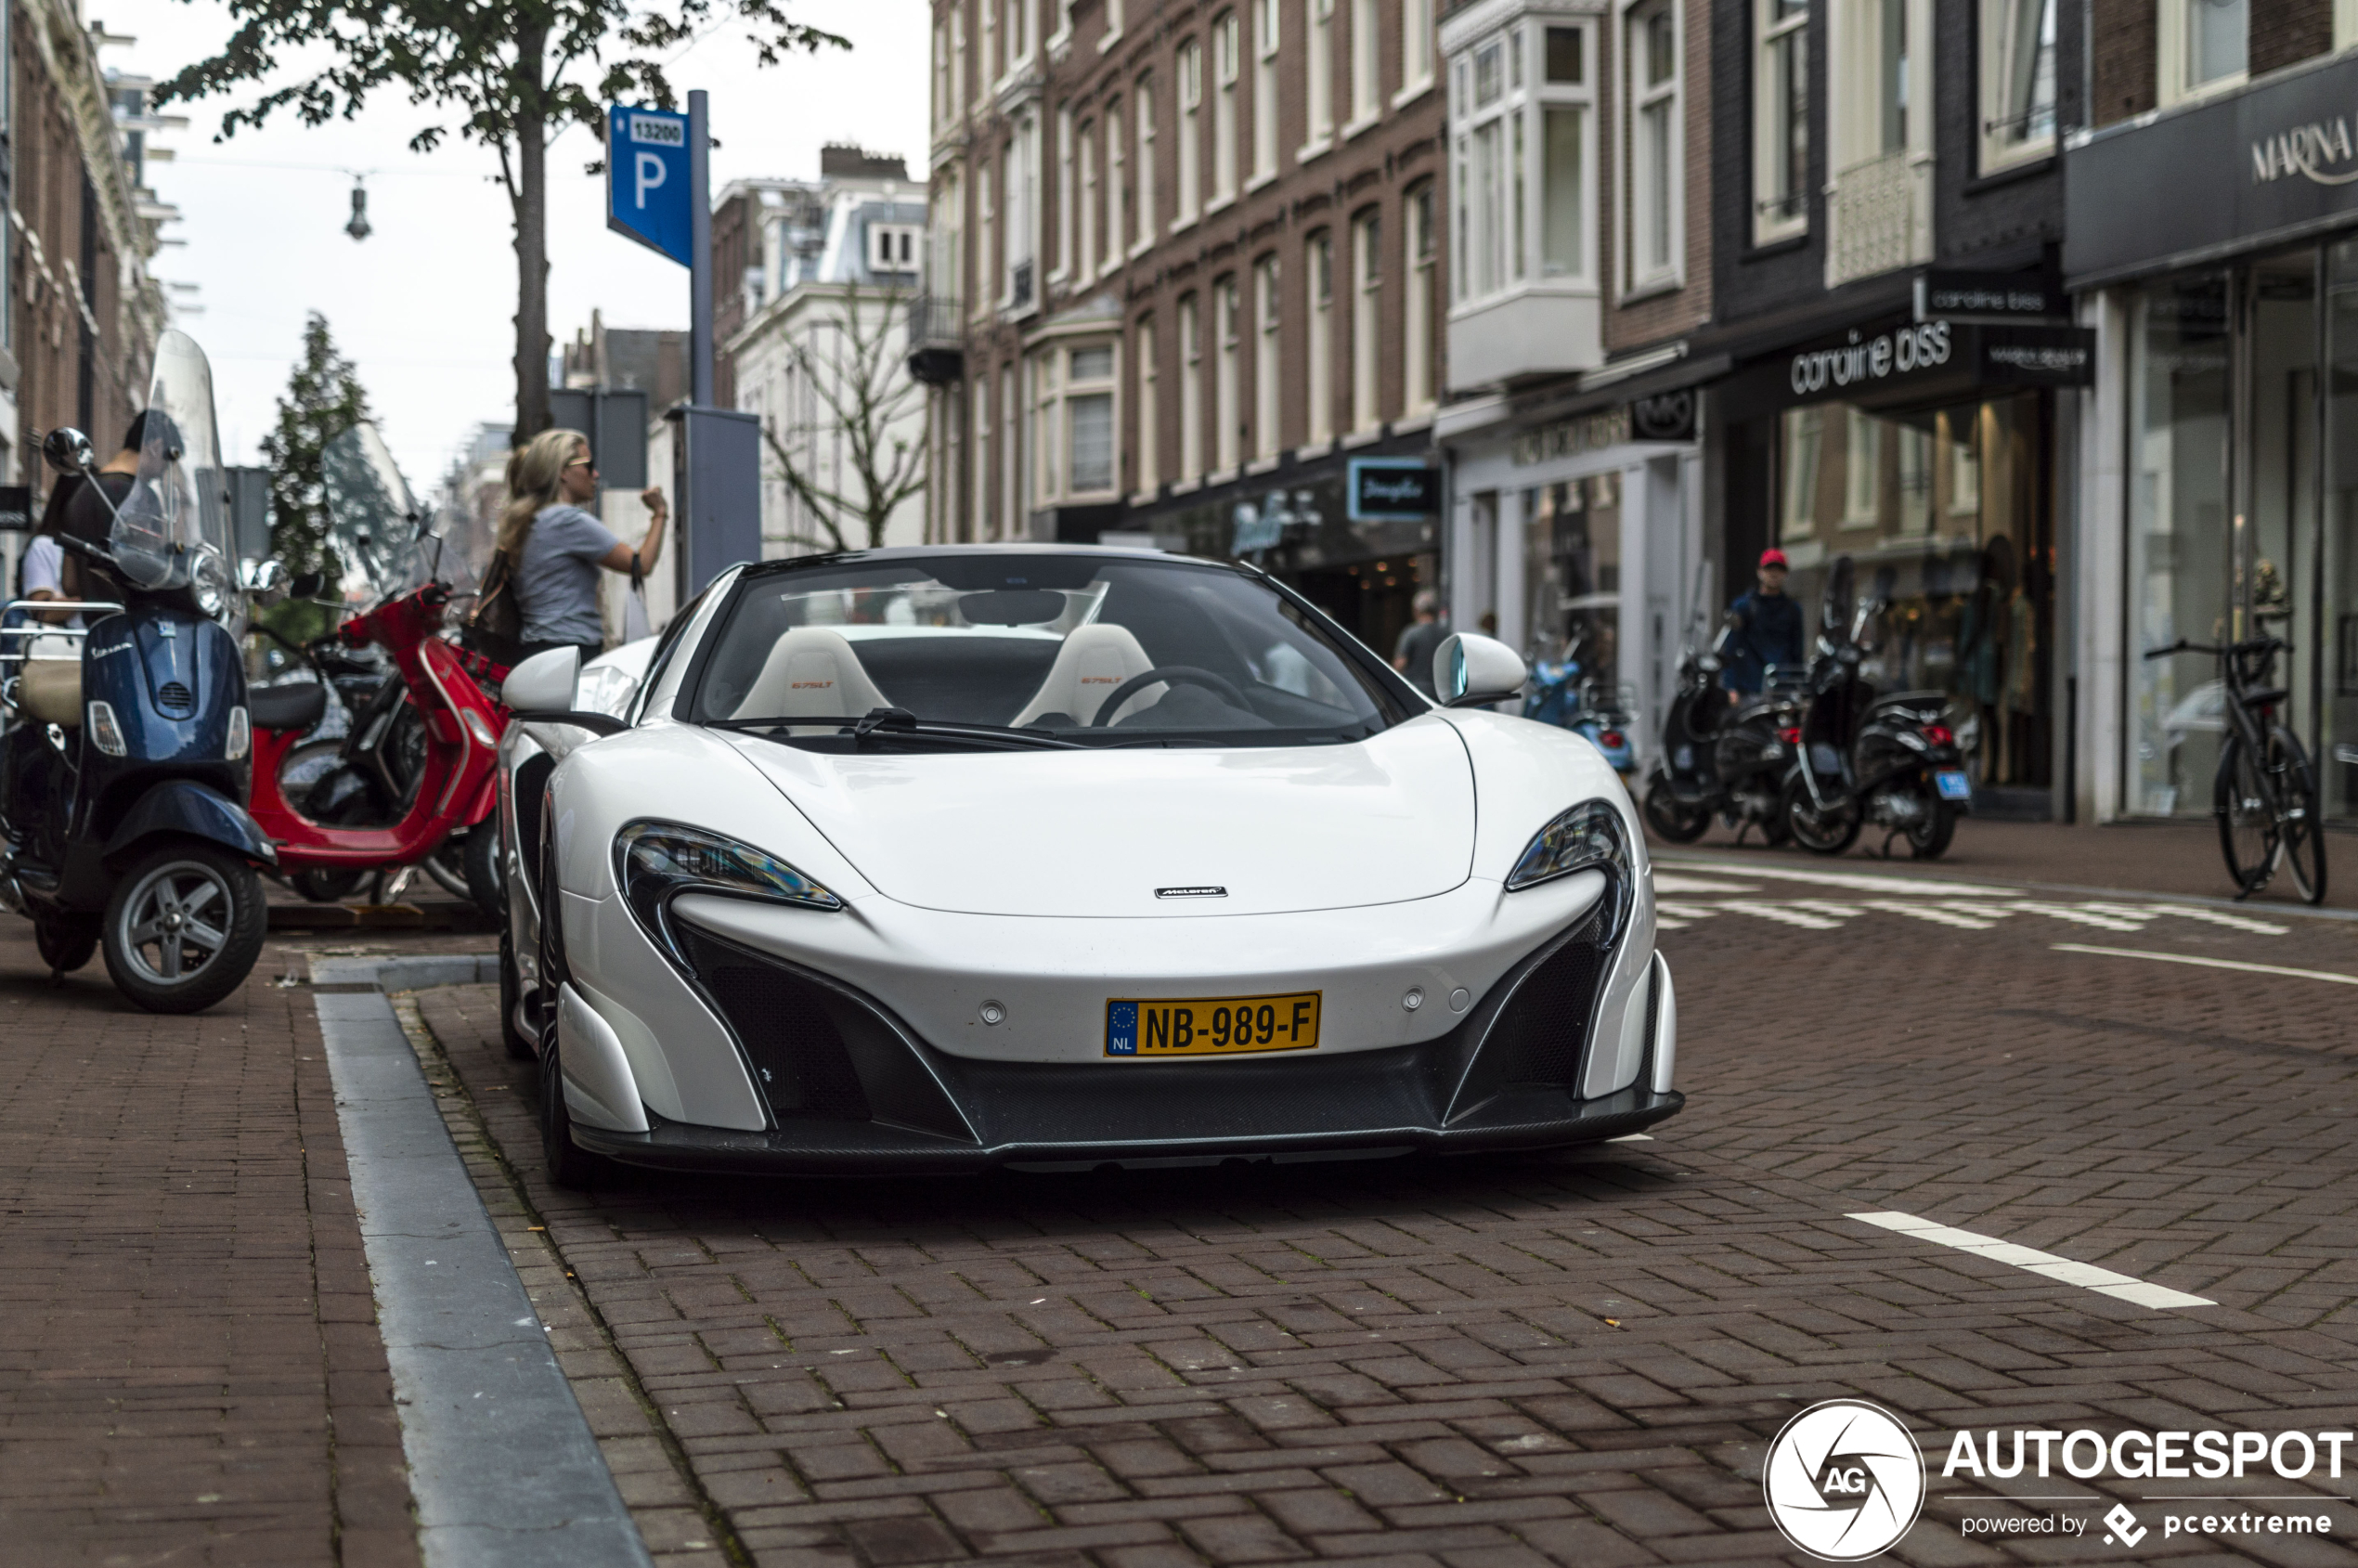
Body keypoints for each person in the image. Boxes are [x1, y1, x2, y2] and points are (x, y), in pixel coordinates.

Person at [498, 427, 668, 665]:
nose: (596, 474)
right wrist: (660, 513)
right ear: (563, 472)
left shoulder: (533, 519)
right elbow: (640, 564)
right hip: (569, 652)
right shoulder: (567, 520)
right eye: (588, 465)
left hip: (538, 652)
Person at [1722, 548, 1804, 701]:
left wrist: (1800, 687)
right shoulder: (1743, 607)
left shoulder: (1793, 610)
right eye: (1769, 568)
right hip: (1750, 689)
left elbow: (1797, 651)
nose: (1774, 573)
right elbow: (1731, 649)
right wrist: (1730, 687)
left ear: (1785, 574)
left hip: (1782, 689)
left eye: (1779, 569)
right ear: (1760, 572)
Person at [1393, 588, 1449, 697]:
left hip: (1415, 691)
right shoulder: (1446, 634)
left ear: (1416, 610)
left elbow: (1400, 663)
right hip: (1440, 692)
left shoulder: (1411, 633)